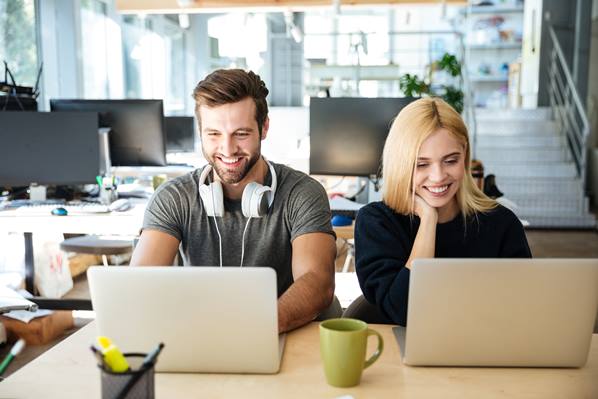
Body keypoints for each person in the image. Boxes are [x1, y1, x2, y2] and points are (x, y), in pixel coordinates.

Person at [130, 69, 337, 333]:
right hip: (197, 335)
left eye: (241, 134)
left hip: (278, 334)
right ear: (200, 131)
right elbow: (138, 285)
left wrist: (251, 328)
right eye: (214, 134)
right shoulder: (174, 198)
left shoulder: (302, 193)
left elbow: (317, 282)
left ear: (264, 128)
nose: (227, 150)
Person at [354, 97, 531, 326]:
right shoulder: (377, 222)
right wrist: (428, 220)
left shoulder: (501, 223)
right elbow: (404, 312)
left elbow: (523, 307)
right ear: (401, 164)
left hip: (486, 348)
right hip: (399, 356)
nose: (438, 176)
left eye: (450, 161)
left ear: (464, 155)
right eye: (422, 164)